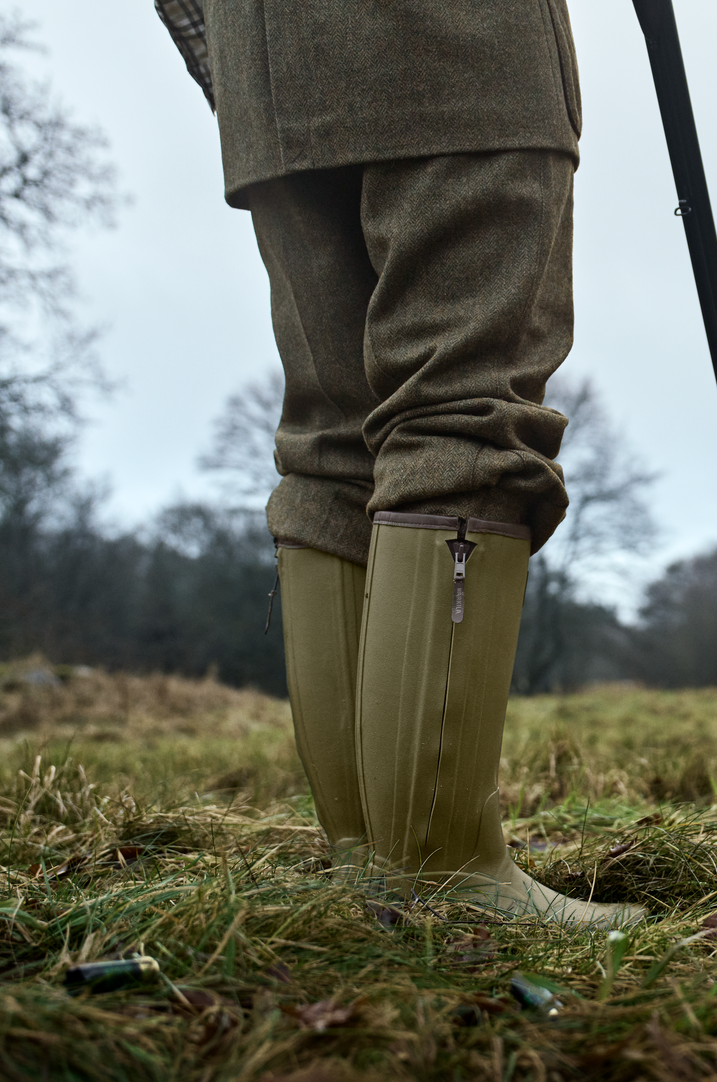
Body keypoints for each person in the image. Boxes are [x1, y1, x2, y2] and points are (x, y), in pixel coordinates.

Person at [155, 0, 633, 926]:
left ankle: (370, 862)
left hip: (269, 62)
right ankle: (442, 870)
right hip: (452, 45)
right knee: (462, 408)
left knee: (335, 437)